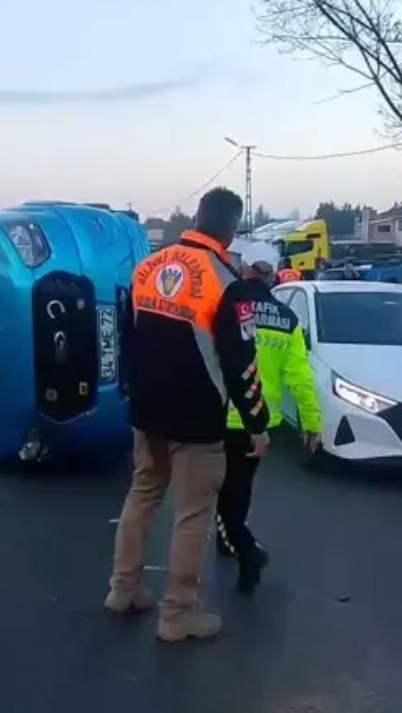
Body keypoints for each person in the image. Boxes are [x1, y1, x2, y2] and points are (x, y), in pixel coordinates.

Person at [107, 187, 270, 643]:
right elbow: (241, 359)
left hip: (146, 410)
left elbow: (127, 338)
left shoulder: (147, 268)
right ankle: (177, 614)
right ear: (232, 229)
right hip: (197, 419)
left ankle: (123, 589)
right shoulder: (226, 281)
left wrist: (131, 393)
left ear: (196, 217)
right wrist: (257, 422)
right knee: (193, 512)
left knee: (142, 496)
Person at [214, 241, 320, 593]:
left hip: (223, 414)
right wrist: (311, 423)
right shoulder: (288, 321)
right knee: (238, 488)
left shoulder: (228, 305)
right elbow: (301, 379)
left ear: (245, 270)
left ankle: (242, 548)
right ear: (273, 276)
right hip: (260, 420)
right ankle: (231, 539)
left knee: (215, 488)